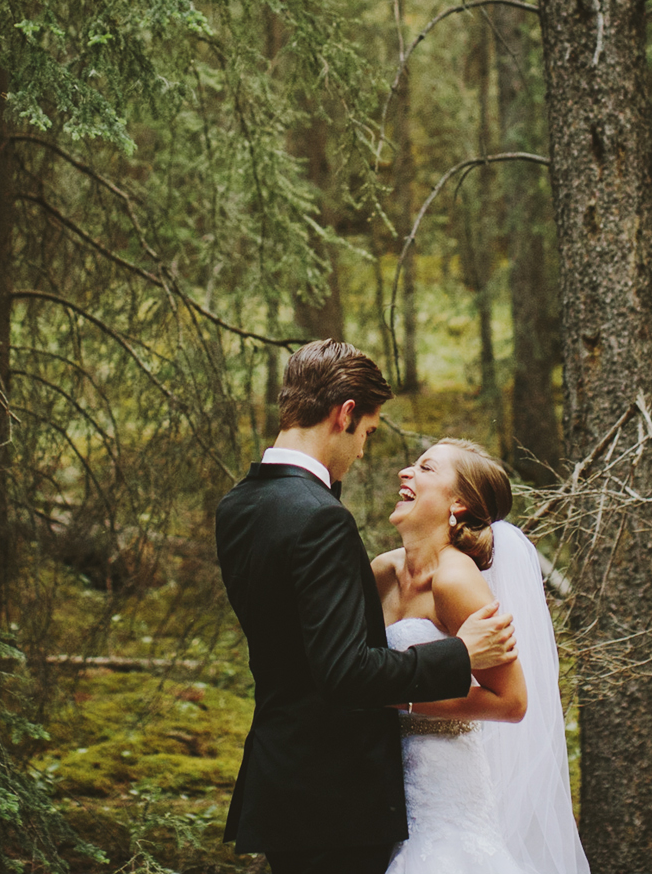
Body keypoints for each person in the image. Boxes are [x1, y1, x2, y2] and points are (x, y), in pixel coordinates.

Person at [216, 340, 519, 874]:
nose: (363, 454)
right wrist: (461, 653)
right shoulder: (320, 517)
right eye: (368, 435)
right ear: (345, 414)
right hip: (338, 794)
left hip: (283, 778)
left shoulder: (238, 505)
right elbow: (344, 671)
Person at [374, 438, 590, 874]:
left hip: (441, 792)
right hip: (378, 783)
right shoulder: (382, 571)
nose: (406, 473)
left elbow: (512, 702)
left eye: (427, 468)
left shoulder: (455, 580)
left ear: (459, 503)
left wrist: (397, 697)